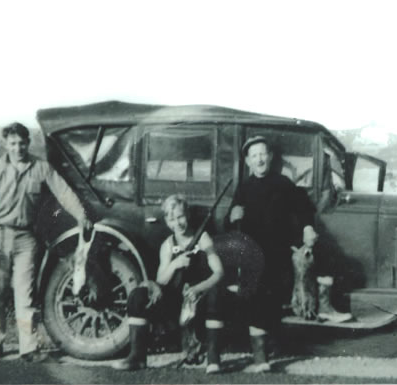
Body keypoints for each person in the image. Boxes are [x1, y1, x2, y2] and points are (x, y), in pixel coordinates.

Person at [0, 122, 92, 363]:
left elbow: (63, 192)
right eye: (12, 143)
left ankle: (29, 347)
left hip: (26, 238)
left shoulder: (41, 168)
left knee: (25, 293)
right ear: (6, 144)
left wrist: (81, 216)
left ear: (28, 143)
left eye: (22, 143)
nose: (17, 148)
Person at [225, 135, 319, 373]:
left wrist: (307, 227)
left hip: (277, 254)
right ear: (247, 161)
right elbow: (230, 223)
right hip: (251, 254)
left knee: (271, 300)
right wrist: (231, 217)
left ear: (271, 156)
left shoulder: (283, 184)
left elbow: (303, 209)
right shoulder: (243, 188)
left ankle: (267, 353)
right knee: (256, 299)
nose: (259, 159)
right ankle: (260, 359)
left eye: (263, 154)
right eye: (254, 155)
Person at [113, 194, 225, 374]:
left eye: (180, 217)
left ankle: (213, 358)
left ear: (187, 215)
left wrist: (198, 288)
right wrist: (175, 264)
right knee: (137, 296)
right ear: (166, 221)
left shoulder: (203, 238)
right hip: (176, 305)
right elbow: (160, 281)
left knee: (216, 293)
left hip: (200, 302)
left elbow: (219, 272)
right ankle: (137, 357)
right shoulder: (167, 245)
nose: (177, 224)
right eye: (172, 219)